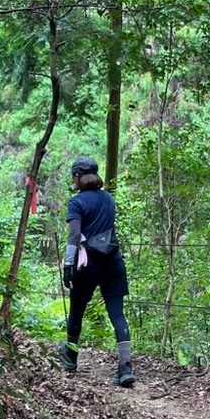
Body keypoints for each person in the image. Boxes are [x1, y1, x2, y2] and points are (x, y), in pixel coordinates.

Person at [58, 157, 134, 387]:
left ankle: (71, 357)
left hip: (88, 264)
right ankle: (126, 367)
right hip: (113, 261)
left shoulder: (77, 202)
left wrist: (68, 265)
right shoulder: (109, 199)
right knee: (117, 314)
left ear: (78, 177)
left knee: (77, 310)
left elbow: (74, 235)